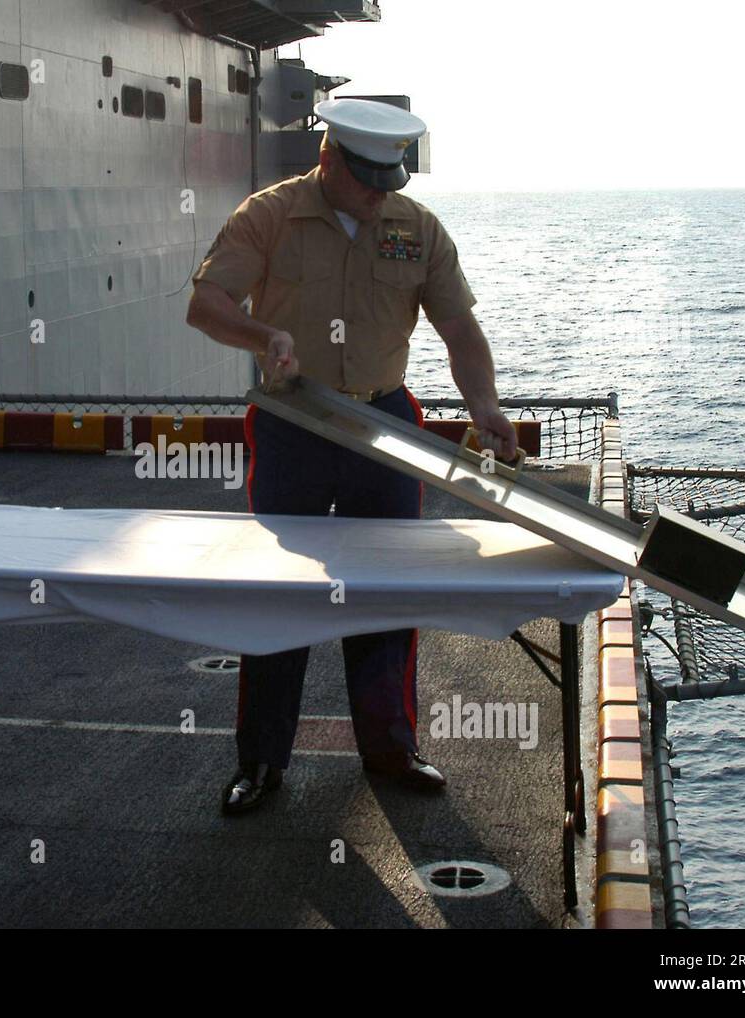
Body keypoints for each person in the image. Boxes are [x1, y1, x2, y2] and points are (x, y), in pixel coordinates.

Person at [186, 98, 519, 816]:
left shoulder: (416, 227)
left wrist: (484, 404)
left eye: (391, 181)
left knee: (388, 589)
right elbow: (206, 302)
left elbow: (459, 326)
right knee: (277, 593)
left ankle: (391, 749)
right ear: (329, 159)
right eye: (368, 179)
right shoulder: (269, 215)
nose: (379, 195)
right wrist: (258, 335)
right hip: (295, 417)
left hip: (385, 423)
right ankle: (262, 762)